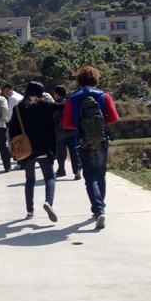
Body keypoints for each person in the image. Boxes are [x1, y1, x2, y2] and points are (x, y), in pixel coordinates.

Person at [62, 66, 119, 229]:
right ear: (96, 79)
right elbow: (114, 118)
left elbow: (66, 123)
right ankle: (100, 209)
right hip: (101, 140)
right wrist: (100, 123)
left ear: (79, 81)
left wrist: (81, 126)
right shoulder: (104, 96)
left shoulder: (73, 99)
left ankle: (98, 210)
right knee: (101, 175)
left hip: (83, 142)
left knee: (90, 178)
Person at [8, 81, 58, 222]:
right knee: (49, 177)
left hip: (27, 150)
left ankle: (30, 211)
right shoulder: (44, 105)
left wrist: (14, 151)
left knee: (30, 180)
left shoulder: (18, 108)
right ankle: (48, 202)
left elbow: (13, 130)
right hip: (44, 148)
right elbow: (62, 106)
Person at [53, 85, 82, 180]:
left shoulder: (56, 104)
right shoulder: (70, 102)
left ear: (56, 94)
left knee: (61, 152)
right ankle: (77, 170)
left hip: (60, 132)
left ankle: (61, 170)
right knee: (74, 151)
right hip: (72, 130)